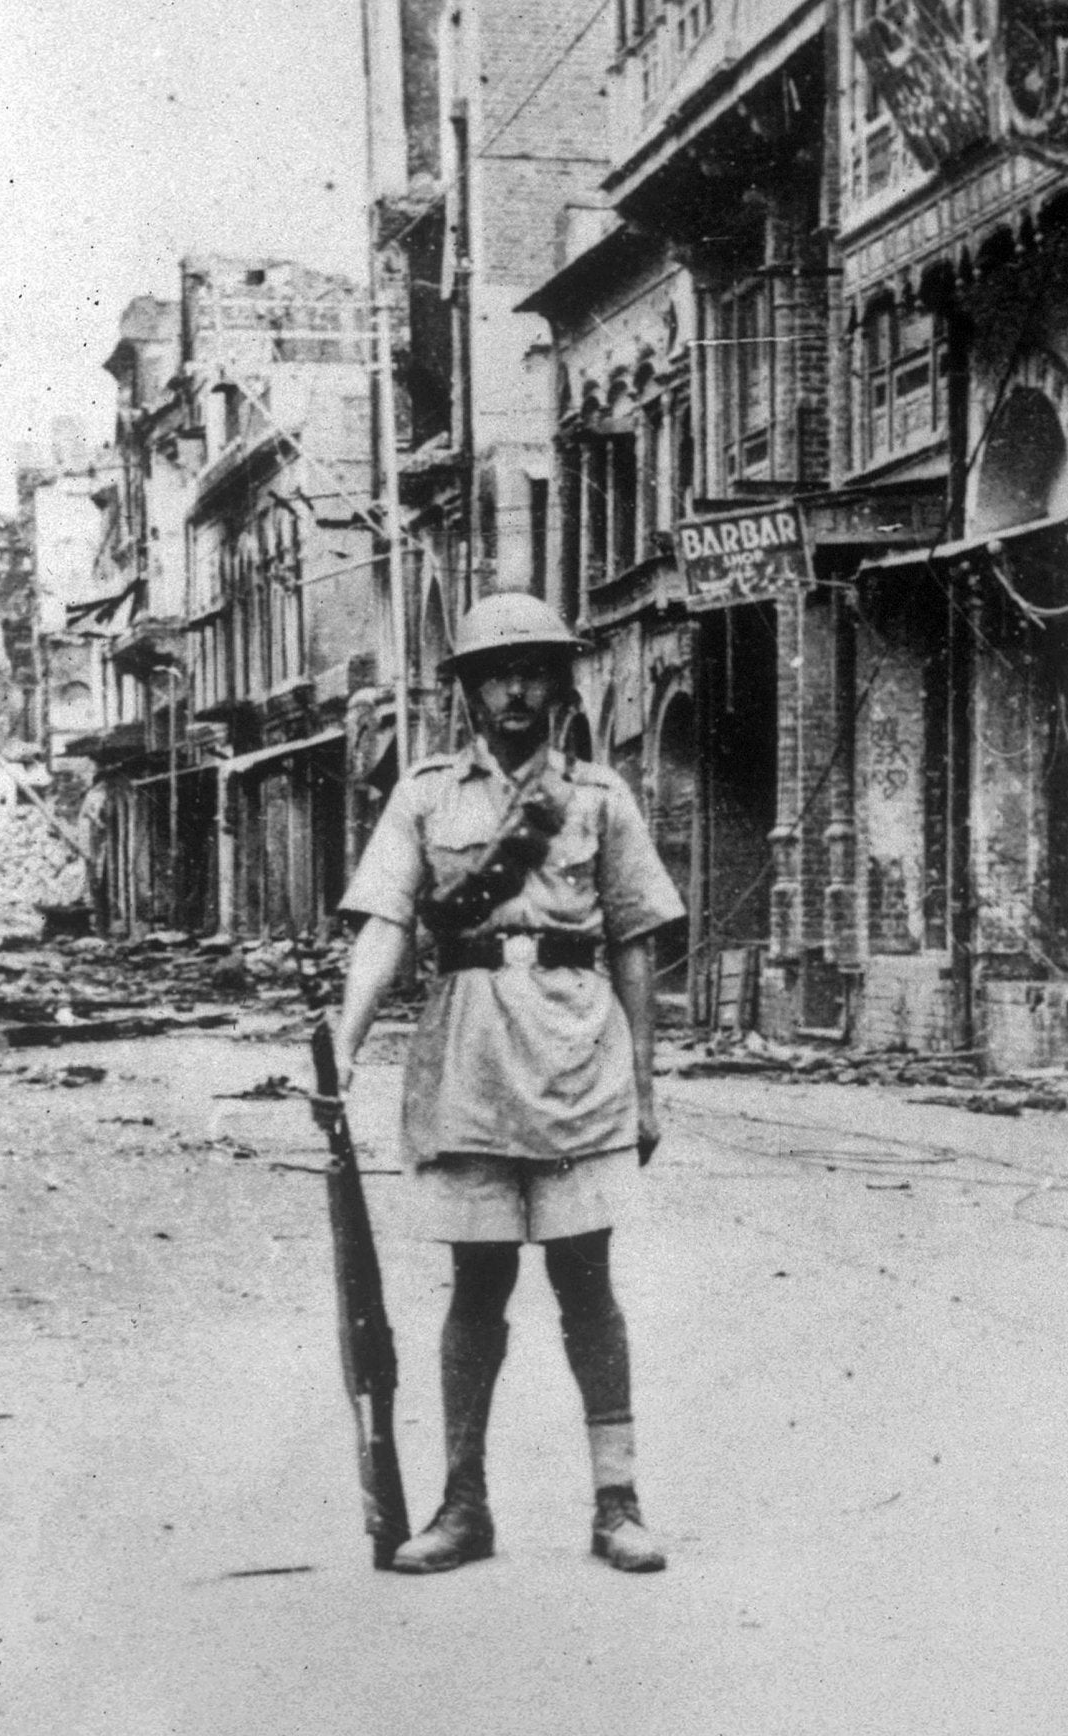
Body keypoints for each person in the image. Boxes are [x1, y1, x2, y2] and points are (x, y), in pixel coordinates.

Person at [323, 591, 685, 1575]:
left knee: (585, 1281)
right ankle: (462, 1499)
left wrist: (646, 1086)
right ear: (469, 690)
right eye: (495, 672)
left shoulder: (601, 798)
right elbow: (387, 925)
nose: (515, 689)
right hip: (470, 1058)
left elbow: (639, 942)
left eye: (533, 670)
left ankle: (618, 1500)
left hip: (578, 1052)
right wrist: (343, 1040)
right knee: (475, 1285)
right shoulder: (427, 794)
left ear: (561, 684)